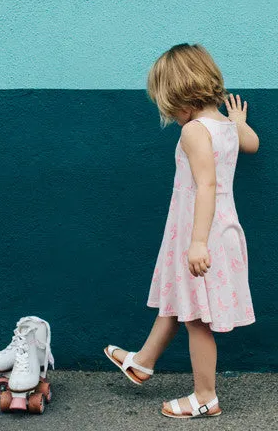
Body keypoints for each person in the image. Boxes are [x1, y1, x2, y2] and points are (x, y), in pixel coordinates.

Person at [104, 43, 259, 419]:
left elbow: (205, 186)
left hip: (201, 232)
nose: (169, 115)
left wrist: (197, 243)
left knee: (196, 318)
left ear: (181, 97)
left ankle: (205, 396)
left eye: (168, 106)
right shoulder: (223, 126)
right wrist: (238, 122)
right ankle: (143, 361)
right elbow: (252, 144)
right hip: (219, 229)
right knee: (181, 299)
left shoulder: (193, 131)